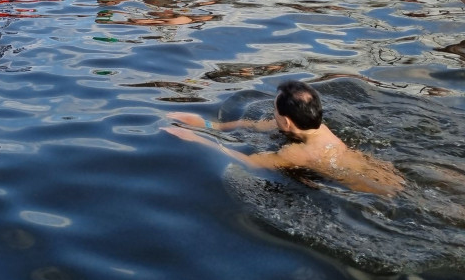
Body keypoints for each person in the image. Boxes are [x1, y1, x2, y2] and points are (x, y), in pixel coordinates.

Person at [166, 80, 403, 196]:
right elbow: (252, 125)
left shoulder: (296, 153)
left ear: (287, 121)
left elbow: (248, 162)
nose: (272, 114)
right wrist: (209, 125)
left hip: (375, 191)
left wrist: (199, 140)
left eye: (275, 110)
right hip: (388, 172)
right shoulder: (317, 126)